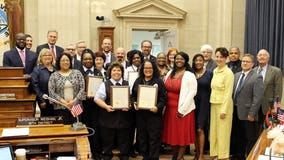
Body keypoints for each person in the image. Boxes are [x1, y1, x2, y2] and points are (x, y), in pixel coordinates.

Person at [162, 52, 197, 160]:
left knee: (182, 134)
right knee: (172, 134)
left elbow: (192, 92)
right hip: (169, 109)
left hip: (183, 109)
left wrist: (183, 109)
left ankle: (180, 157)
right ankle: (175, 155)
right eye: (177, 59)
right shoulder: (170, 73)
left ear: (185, 60)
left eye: (181, 59)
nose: (179, 61)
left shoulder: (189, 75)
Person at [94, 62, 133, 160]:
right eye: (114, 70)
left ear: (122, 72)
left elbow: (132, 98)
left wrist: (130, 105)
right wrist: (106, 106)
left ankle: (124, 155)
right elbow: (97, 99)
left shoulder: (128, 84)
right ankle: (107, 155)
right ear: (110, 72)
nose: (116, 72)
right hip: (108, 118)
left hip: (124, 118)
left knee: (124, 140)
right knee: (108, 140)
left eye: (119, 70)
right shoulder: (104, 84)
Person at [131, 60, 167, 160]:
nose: (148, 70)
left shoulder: (159, 81)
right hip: (140, 115)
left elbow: (163, 98)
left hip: (154, 115)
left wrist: (158, 107)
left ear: (154, 69)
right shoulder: (138, 81)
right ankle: (145, 157)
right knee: (142, 138)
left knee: (154, 137)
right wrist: (134, 103)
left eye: (150, 68)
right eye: (146, 68)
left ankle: (154, 157)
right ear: (142, 69)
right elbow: (133, 96)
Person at [232, 54, 264, 159]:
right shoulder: (236, 75)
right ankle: (239, 155)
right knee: (238, 135)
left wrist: (252, 113)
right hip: (235, 111)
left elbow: (258, 98)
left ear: (252, 64)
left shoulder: (257, 77)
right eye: (243, 61)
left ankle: (250, 156)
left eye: (248, 62)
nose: (245, 63)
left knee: (249, 137)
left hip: (248, 113)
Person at [210, 47, 234, 160]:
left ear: (226, 58)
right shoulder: (215, 70)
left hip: (223, 106)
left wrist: (224, 110)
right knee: (214, 131)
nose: (219, 59)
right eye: (217, 56)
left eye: (222, 57)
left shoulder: (228, 73)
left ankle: (223, 156)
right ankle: (215, 153)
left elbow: (228, 93)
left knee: (223, 133)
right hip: (214, 103)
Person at [79, 49, 103, 160]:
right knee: (84, 128)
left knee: (96, 129)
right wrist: (84, 95)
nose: (88, 60)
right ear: (82, 60)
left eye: (90, 58)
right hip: (82, 106)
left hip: (96, 106)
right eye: (85, 59)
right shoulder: (78, 72)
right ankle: (85, 151)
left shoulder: (98, 72)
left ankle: (96, 152)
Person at [48, 53, 85, 124]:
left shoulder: (77, 73)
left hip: (76, 106)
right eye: (63, 60)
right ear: (59, 62)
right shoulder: (54, 75)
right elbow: (51, 92)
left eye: (67, 60)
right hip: (60, 107)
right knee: (63, 130)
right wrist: (64, 102)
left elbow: (82, 88)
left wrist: (74, 101)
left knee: (76, 127)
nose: (65, 62)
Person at [253, 49, 283, 133]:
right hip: (254, 107)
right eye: (260, 55)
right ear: (257, 57)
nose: (262, 57)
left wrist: (275, 107)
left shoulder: (276, 71)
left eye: (264, 55)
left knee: (267, 131)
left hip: (268, 107)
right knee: (254, 132)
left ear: (268, 58)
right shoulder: (253, 71)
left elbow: (278, 91)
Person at [192, 53, 213, 160]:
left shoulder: (209, 73)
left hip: (205, 104)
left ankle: (201, 155)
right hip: (192, 105)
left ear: (203, 61)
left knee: (200, 129)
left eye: (200, 60)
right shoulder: (190, 73)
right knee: (194, 129)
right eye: (196, 60)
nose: (198, 62)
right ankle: (196, 153)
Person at [31, 48, 55, 117]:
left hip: (56, 100)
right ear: (40, 58)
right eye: (45, 55)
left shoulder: (56, 68)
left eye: (49, 55)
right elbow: (35, 86)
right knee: (46, 118)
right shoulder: (37, 69)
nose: (47, 57)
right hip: (44, 100)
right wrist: (41, 100)